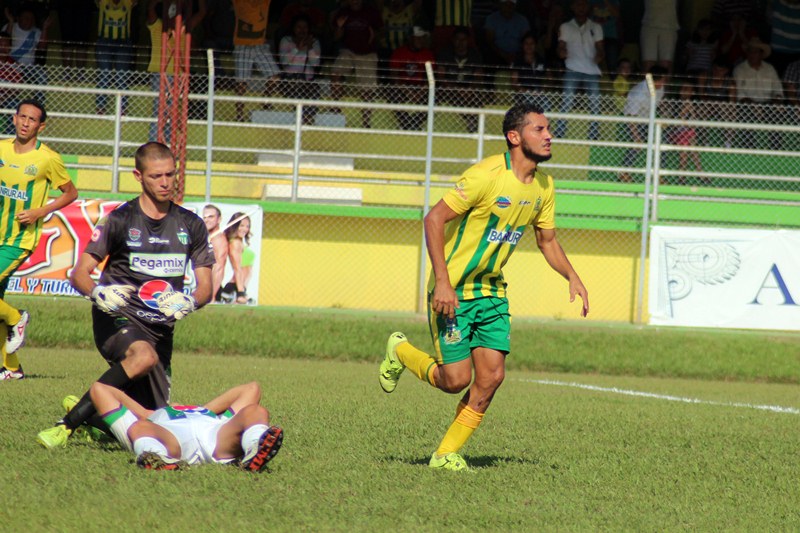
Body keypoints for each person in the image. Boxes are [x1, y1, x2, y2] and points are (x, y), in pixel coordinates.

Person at [378, 102, 589, 471]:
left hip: (492, 293)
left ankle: (444, 455)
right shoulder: (485, 175)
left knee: (491, 377)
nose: (548, 135)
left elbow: (548, 241)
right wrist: (442, 282)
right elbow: (433, 220)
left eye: (548, 128)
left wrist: (572, 275)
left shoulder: (544, 185)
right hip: (454, 292)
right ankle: (400, 351)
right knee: (454, 380)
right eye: (539, 129)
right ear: (514, 137)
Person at [36, 142, 215, 447]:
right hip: (118, 318)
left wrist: (191, 301)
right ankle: (65, 427)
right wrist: (98, 293)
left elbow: (207, 287)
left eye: (170, 174)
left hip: (160, 329)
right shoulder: (120, 220)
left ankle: (93, 415)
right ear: (138, 176)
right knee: (143, 357)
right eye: (156, 176)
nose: (165, 182)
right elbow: (79, 273)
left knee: (154, 425)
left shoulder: (191, 224)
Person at [0, 99, 79, 381]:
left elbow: (71, 193)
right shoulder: (2, 148)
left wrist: (39, 212)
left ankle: (16, 318)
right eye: (22, 117)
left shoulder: (47, 158)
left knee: (4, 311)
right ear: (14, 118)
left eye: (32, 119)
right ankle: (11, 368)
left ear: (40, 126)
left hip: (19, 238)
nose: (25, 122)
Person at [89, 380, 283, 471]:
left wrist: (204, 408)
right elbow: (100, 389)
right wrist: (142, 411)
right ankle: (156, 459)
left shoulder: (209, 414)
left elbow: (252, 388)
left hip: (214, 435)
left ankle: (254, 451)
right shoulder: (151, 415)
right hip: (172, 440)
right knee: (139, 427)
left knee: (256, 412)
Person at [554, 0, 604, 140]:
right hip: (572, 67)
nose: (581, 8)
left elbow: (601, 49)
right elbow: (560, 46)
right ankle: (560, 133)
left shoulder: (596, 26)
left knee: (595, 103)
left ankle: (593, 135)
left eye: (583, 4)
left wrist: (599, 56)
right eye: (578, 4)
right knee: (567, 101)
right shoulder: (565, 26)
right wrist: (561, 52)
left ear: (588, 7)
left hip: (592, 69)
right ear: (572, 7)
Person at [329, 0, 383, 128]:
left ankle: (366, 122)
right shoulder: (343, 12)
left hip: (367, 52)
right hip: (348, 51)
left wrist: (373, 35)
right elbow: (336, 37)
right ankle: (335, 108)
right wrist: (339, 27)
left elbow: (381, 32)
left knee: (367, 88)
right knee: (335, 73)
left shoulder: (371, 12)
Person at [232, 0, 281, 123]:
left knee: (274, 77)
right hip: (243, 46)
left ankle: (265, 100)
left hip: (260, 45)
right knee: (241, 83)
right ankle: (239, 115)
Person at [618, 65, 668, 183]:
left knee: (663, 142)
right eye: (663, 79)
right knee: (637, 144)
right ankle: (623, 172)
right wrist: (636, 136)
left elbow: (660, 104)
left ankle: (658, 174)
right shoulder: (638, 93)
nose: (665, 81)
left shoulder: (660, 88)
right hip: (632, 120)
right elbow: (631, 116)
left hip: (648, 119)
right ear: (657, 80)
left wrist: (665, 116)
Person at [732, 37, 784, 148]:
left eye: (755, 52)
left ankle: (775, 148)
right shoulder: (740, 69)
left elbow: (778, 89)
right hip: (747, 104)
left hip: (768, 104)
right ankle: (748, 147)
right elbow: (740, 94)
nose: (752, 55)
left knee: (777, 112)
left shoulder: (770, 69)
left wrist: (776, 101)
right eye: (750, 51)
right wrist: (754, 106)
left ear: (761, 54)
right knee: (745, 112)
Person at [435, 25, 487, 133]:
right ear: (453, 40)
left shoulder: (475, 55)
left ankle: (473, 123)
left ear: (468, 40)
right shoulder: (445, 53)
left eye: (463, 39)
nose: (460, 42)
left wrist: (469, 89)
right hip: (450, 90)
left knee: (479, 95)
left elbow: (479, 77)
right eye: (457, 39)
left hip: (469, 91)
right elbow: (440, 77)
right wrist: (457, 89)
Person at [94, 0, 138, 116]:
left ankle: (122, 109)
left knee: (121, 75)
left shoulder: (128, 2)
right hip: (104, 40)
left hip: (123, 42)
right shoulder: (103, 1)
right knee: (104, 74)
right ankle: (101, 107)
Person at [388, 25, 435, 130]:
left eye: (422, 38)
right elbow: (394, 77)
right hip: (402, 87)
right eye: (417, 38)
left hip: (420, 87)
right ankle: (407, 125)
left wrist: (419, 93)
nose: (420, 40)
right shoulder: (399, 52)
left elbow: (430, 79)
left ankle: (413, 125)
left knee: (433, 97)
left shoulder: (428, 54)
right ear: (410, 38)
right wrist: (407, 91)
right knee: (392, 94)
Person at [278, 13, 321, 124]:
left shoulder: (314, 42)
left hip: (307, 82)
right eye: (299, 27)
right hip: (290, 80)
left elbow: (316, 64)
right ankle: (301, 123)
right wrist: (297, 49)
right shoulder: (286, 40)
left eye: (305, 27)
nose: (302, 30)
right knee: (298, 95)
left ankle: (306, 123)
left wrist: (310, 48)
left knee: (313, 92)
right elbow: (283, 62)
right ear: (293, 28)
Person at [482, 0, 530, 66]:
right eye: (505, 4)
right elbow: (489, 41)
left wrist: (516, 55)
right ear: (500, 5)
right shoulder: (491, 19)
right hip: (497, 54)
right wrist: (503, 54)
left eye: (511, 5)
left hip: (518, 55)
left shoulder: (522, 20)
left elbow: (526, 40)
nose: (508, 7)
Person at [220, 212, 254, 304]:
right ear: (235, 225)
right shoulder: (235, 243)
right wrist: (240, 293)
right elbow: (237, 269)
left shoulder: (239, 241)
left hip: (241, 286)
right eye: (241, 225)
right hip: (235, 289)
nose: (245, 229)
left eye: (247, 226)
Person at [510, 32, 550, 110]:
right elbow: (514, 82)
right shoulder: (517, 61)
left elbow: (550, 79)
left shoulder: (541, 60)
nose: (529, 46)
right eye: (526, 43)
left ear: (536, 45)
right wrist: (527, 92)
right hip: (523, 93)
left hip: (539, 93)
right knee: (528, 104)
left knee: (546, 105)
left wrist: (541, 91)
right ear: (522, 45)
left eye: (532, 43)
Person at [640, 0, 678, 74]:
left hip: (669, 26)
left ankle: (664, 85)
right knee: (648, 64)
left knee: (666, 63)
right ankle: (648, 85)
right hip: (649, 25)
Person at [202, 204, 228, 302]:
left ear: (219, 219)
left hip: (211, 290)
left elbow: (219, 268)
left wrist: (211, 296)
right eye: (204, 217)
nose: (207, 220)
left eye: (211, 217)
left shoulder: (219, 240)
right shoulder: (208, 237)